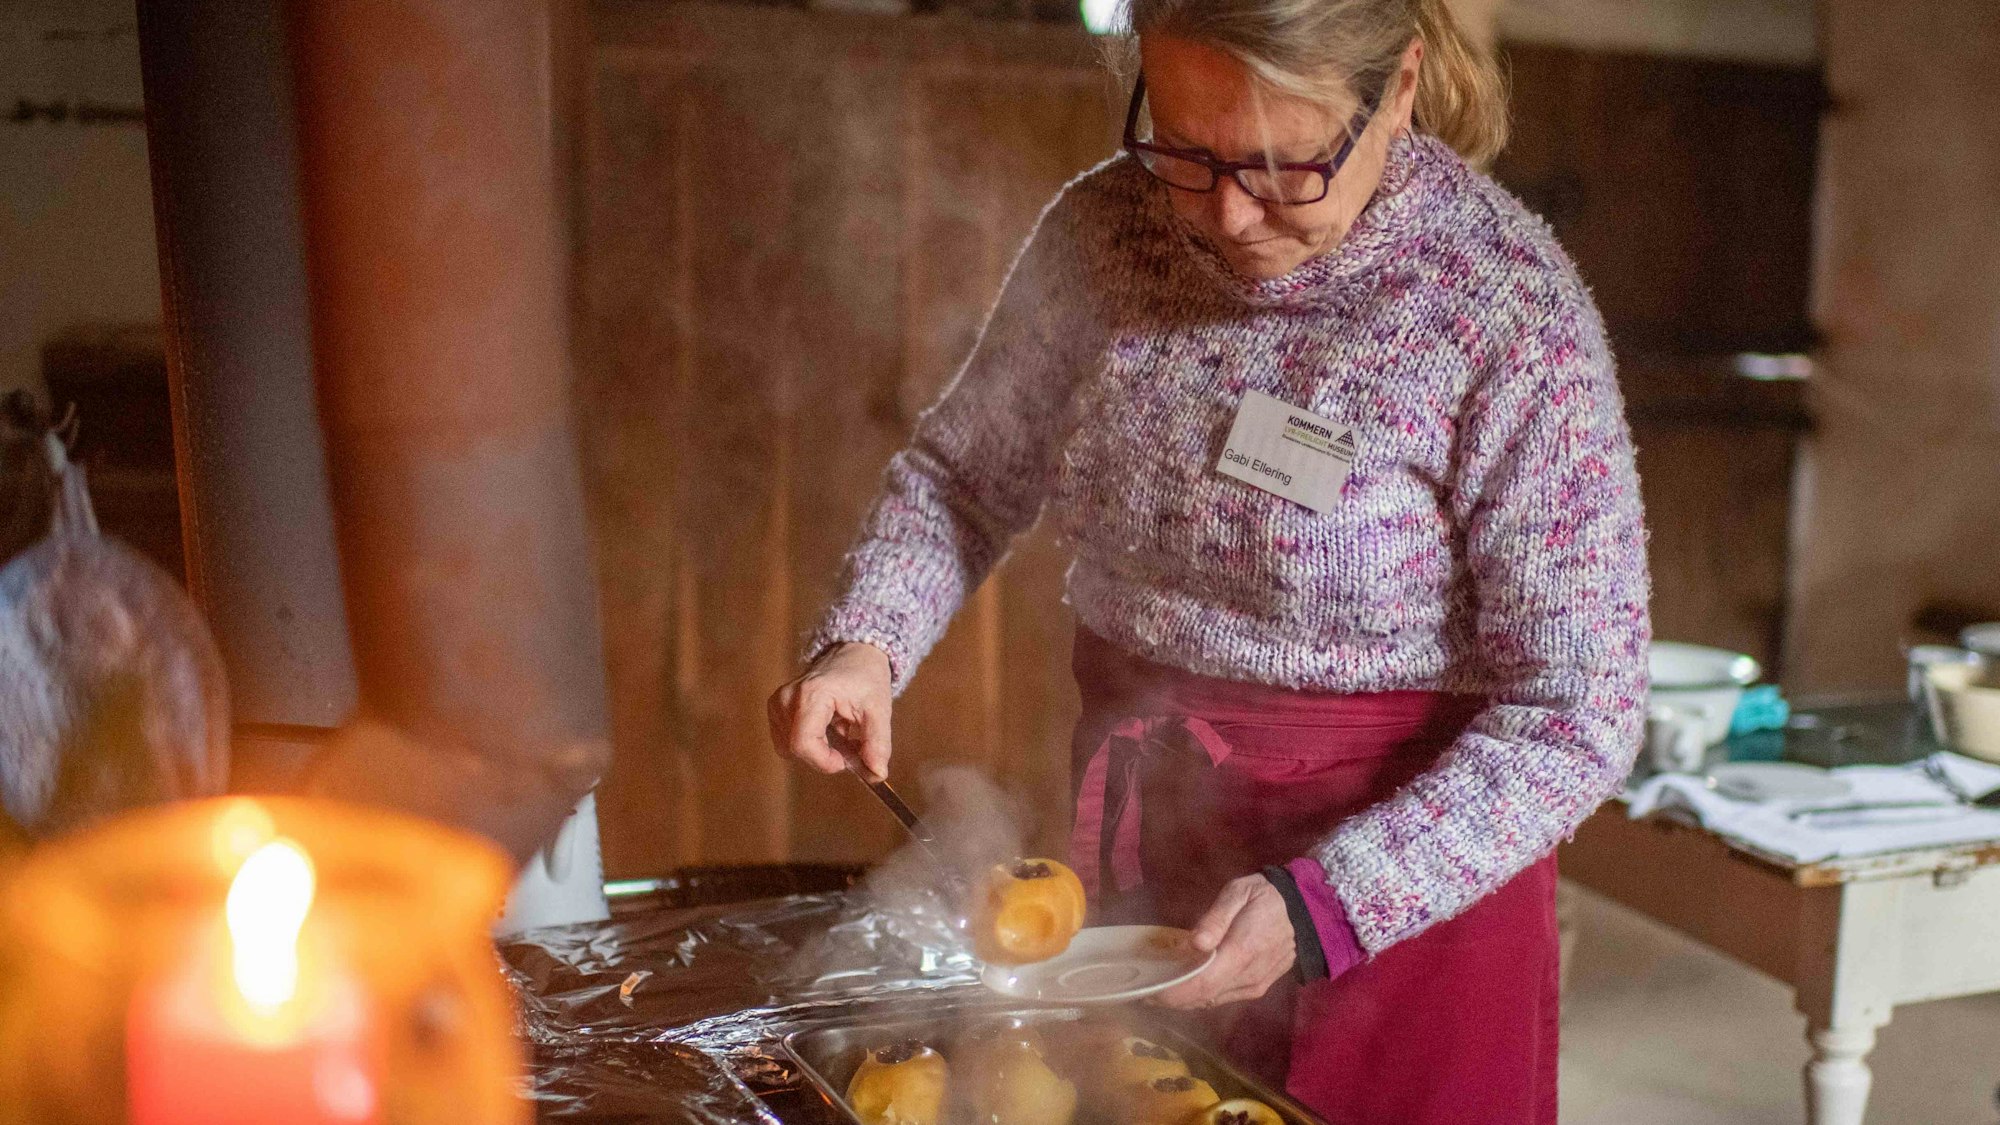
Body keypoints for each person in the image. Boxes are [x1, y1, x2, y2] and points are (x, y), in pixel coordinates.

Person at [768, 0, 1650, 1118]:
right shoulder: (1109, 231)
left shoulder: (1503, 309)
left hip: (1403, 907)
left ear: (1399, 88)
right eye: (1185, 150)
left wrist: (1330, 901)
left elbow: (1578, 708)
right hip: (1154, 860)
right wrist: (865, 642)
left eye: (1283, 167)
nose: (1227, 216)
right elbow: (961, 475)